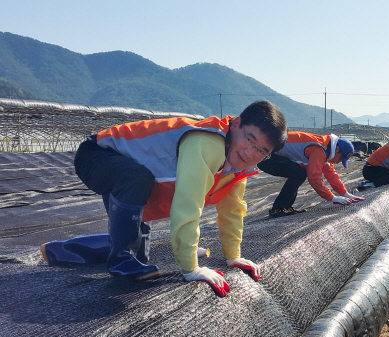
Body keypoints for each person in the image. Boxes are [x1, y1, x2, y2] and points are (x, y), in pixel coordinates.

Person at [40, 101, 287, 297]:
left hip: (135, 173)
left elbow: (233, 209)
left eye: (261, 151)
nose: (249, 153)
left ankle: (59, 251)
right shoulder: (207, 142)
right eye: (249, 139)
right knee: (136, 183)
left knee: (140, 256)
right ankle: (120, 258)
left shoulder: (239, 167)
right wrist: (191, 268)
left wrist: (233, 256)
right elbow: (188, 205)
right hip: (98, 155)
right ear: (236, 124)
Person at [257, 131, 364, 218]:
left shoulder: (326, 149)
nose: (339, 162)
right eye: (341, 158)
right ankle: (277, 209)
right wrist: (332, 198)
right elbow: (314, 178)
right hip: (265, 155)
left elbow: (331, 175)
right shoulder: (319, 149)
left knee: (299, 173)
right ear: (337, 149)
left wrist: (345, 194)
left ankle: (285, 207)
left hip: (269, 153)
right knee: (299, 173)